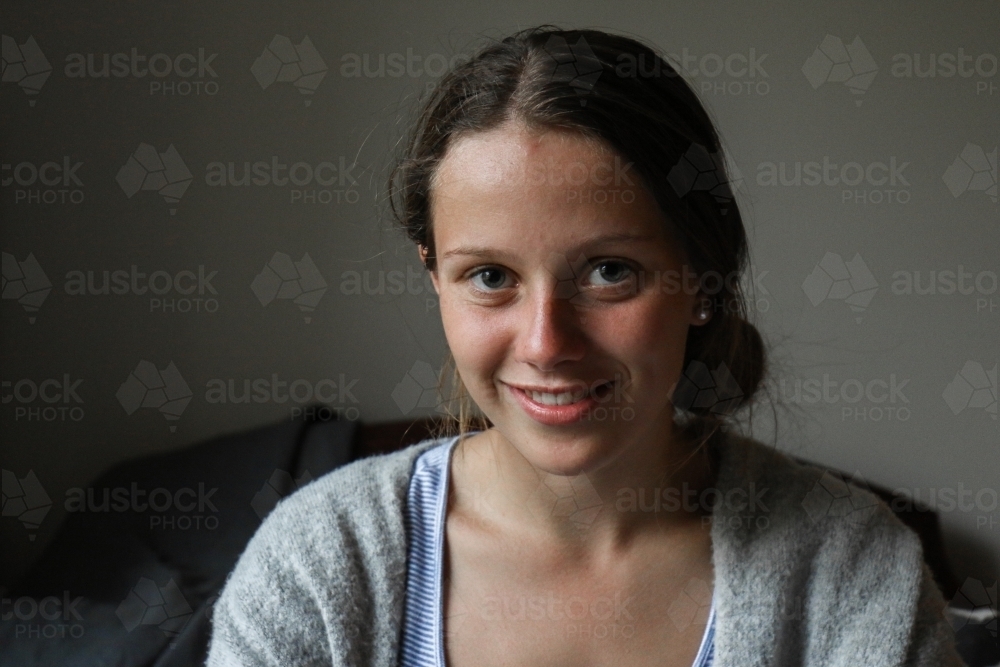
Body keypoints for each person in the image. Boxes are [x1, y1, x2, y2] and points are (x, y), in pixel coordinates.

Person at [207, 26, 962, 666]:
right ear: (434, 274)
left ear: (703, 278)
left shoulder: (855, 574)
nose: (546, 343)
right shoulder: (315, 567)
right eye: (491, 275)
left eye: (609, 272)